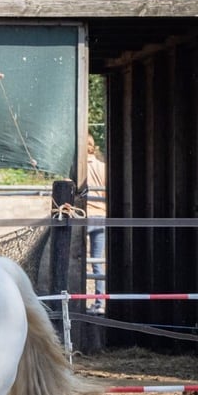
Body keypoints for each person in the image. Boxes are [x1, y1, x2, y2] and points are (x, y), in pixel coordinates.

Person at [85, 133, 106, 314]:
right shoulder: (102, 167)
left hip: (85, 216)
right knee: (97, 261)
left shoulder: (78, 168)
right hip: (101, 216)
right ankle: (100, 302)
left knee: (75, 259)